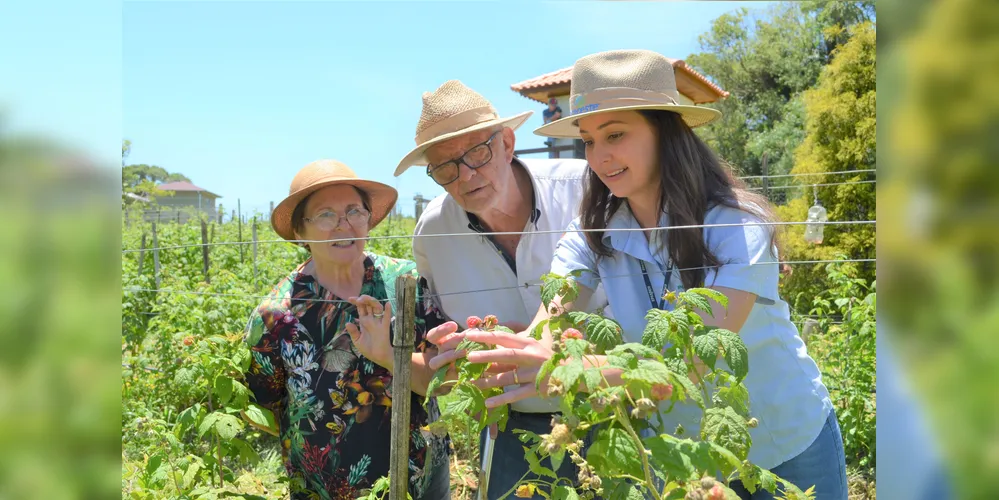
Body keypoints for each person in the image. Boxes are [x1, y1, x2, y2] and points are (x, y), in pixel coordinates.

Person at [438, 50, 849, 499]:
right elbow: (552, 318)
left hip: (784, 443)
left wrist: (564, 366)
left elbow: (696, 361)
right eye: (589, 140)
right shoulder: (593, 231)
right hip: (684, 462)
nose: (599, 157)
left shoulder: (736, 226)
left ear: (665, 131)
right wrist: (498, 348)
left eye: (615, 134)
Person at [393, 80, 608, 499]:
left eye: (477, 152)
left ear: (508, 143)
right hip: (512, 429)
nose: (465, 176)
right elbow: (441, 329)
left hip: (608, 409)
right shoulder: (432, 234)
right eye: (444, 167)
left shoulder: (586, 190)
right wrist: (449, 346)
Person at [242, 159, 451, 500]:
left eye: (355, 211)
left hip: (423, 476)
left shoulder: (407, 283)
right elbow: (261, 409)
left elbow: (441, 383)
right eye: (325, 215)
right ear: (300, 232)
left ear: (369, 218)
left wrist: (387, 356)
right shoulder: (276, 317)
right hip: (325, 489)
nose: (344, 225)